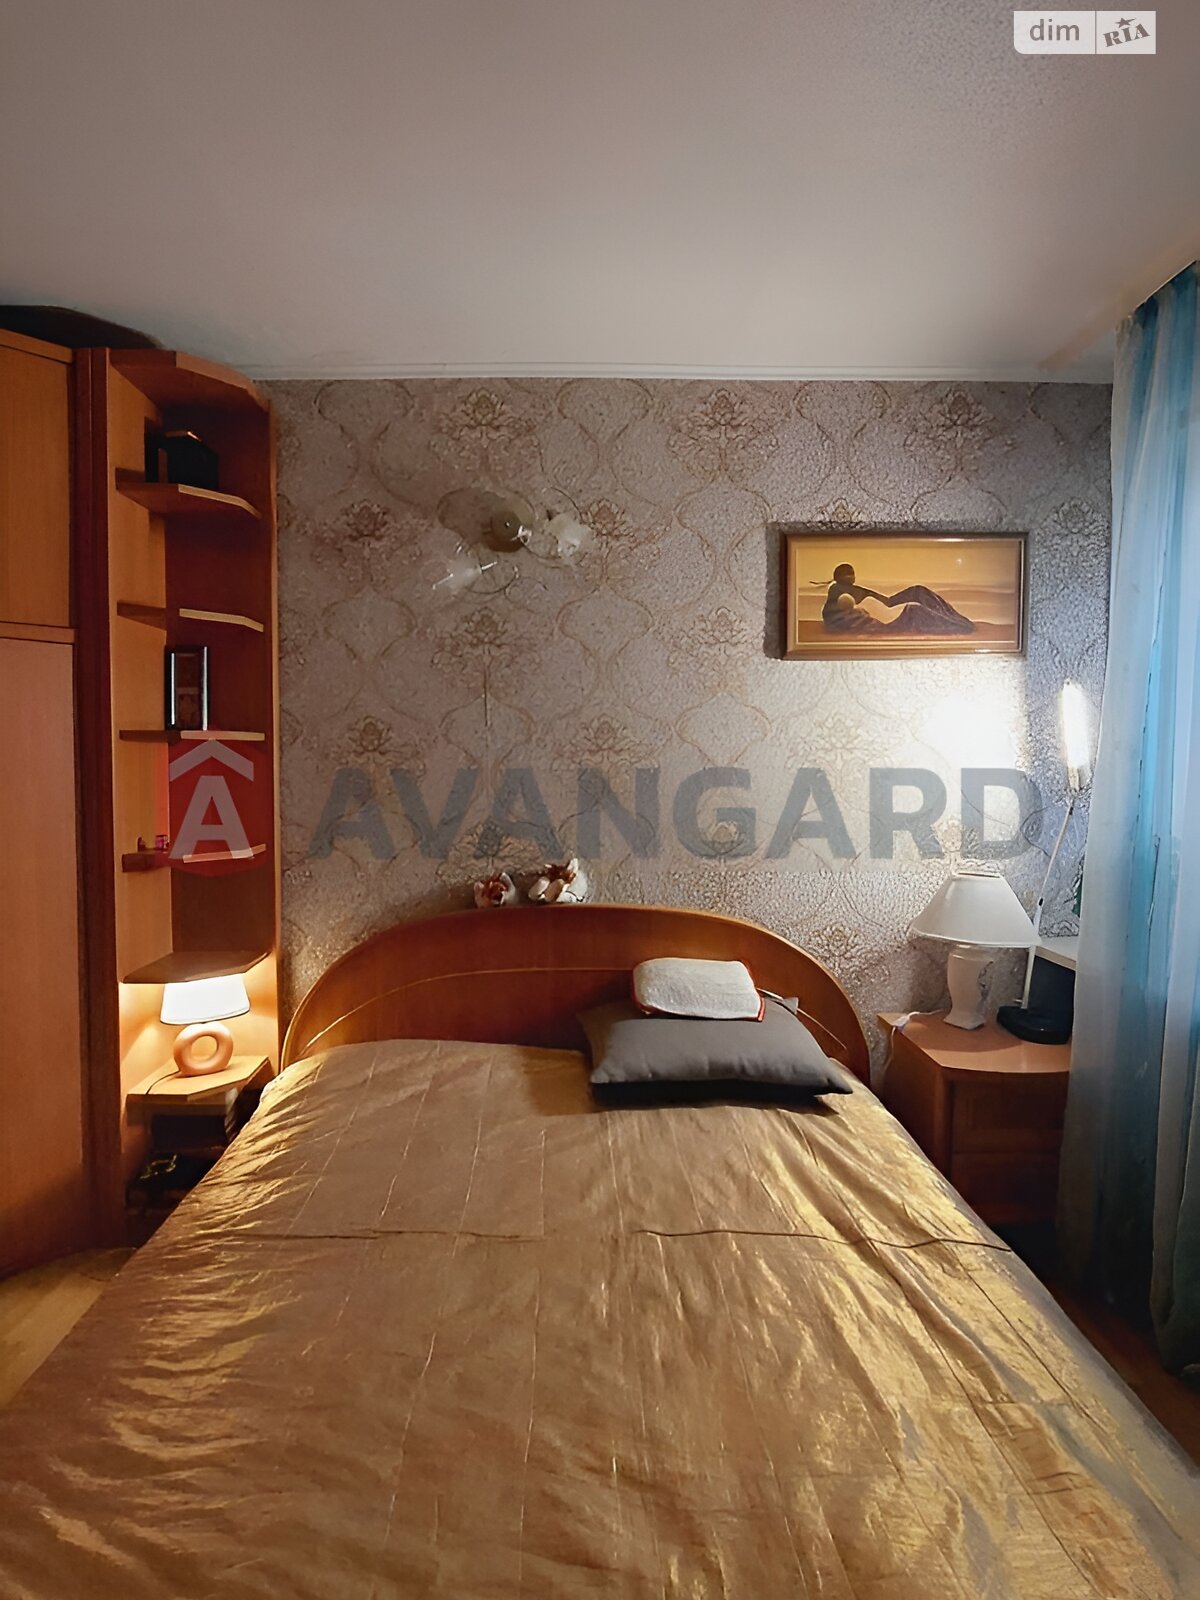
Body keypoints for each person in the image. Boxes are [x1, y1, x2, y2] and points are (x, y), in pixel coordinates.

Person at [818, 562, 975, 635]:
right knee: (914, 610)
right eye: (847, 574)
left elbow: (883, 602)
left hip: (887, 607)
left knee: (918, 590)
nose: (851, 577)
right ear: (838, 578)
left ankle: (958, 619)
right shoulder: (837, 592)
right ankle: (957, 626)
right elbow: (837, 618)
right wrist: (863, 615)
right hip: (887, 619)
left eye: (852, 574)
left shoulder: (850, 589)